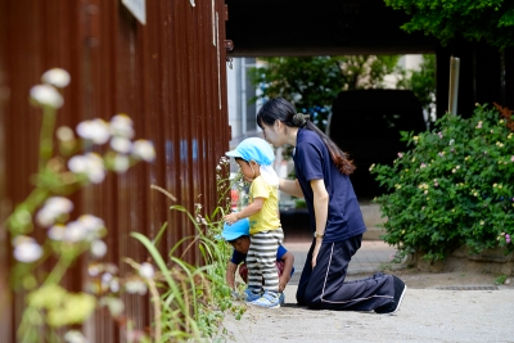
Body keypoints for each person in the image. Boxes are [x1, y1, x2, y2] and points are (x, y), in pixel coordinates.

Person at [256, 97, 406, 313]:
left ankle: (386, 288)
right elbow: (302, 188)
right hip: (335, 227)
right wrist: (275, 182)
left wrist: (319, 239)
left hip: (339, 228)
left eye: (265, 128)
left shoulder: (306, 144)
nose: (264, 135)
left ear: (278, 124)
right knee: (306, 293)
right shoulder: (302, 145)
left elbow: (321, 196)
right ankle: (381, 289)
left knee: (320, 295)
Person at [224, 137, 285, 308]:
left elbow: (257, 206)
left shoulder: (260, 182)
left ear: (253, 164)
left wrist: (237, 216)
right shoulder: (262, 181)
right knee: (252, 260)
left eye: (241, 166)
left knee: (265, 262)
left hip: (267, 231)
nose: (241, 170)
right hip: (260, 230)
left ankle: (272, 295)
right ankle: (255, 291)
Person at [220, 218, 294, 304]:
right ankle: (255, 292)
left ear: (250, 237)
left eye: (239, 243)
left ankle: (275, 294)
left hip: (276, 271)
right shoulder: (239, 250)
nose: (237, 247)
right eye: (233, 245)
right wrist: (231, 291)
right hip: (258, 275)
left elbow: (289, 257)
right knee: (244, 268)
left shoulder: (265, 243)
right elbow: (230, 268)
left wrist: (284, 279)